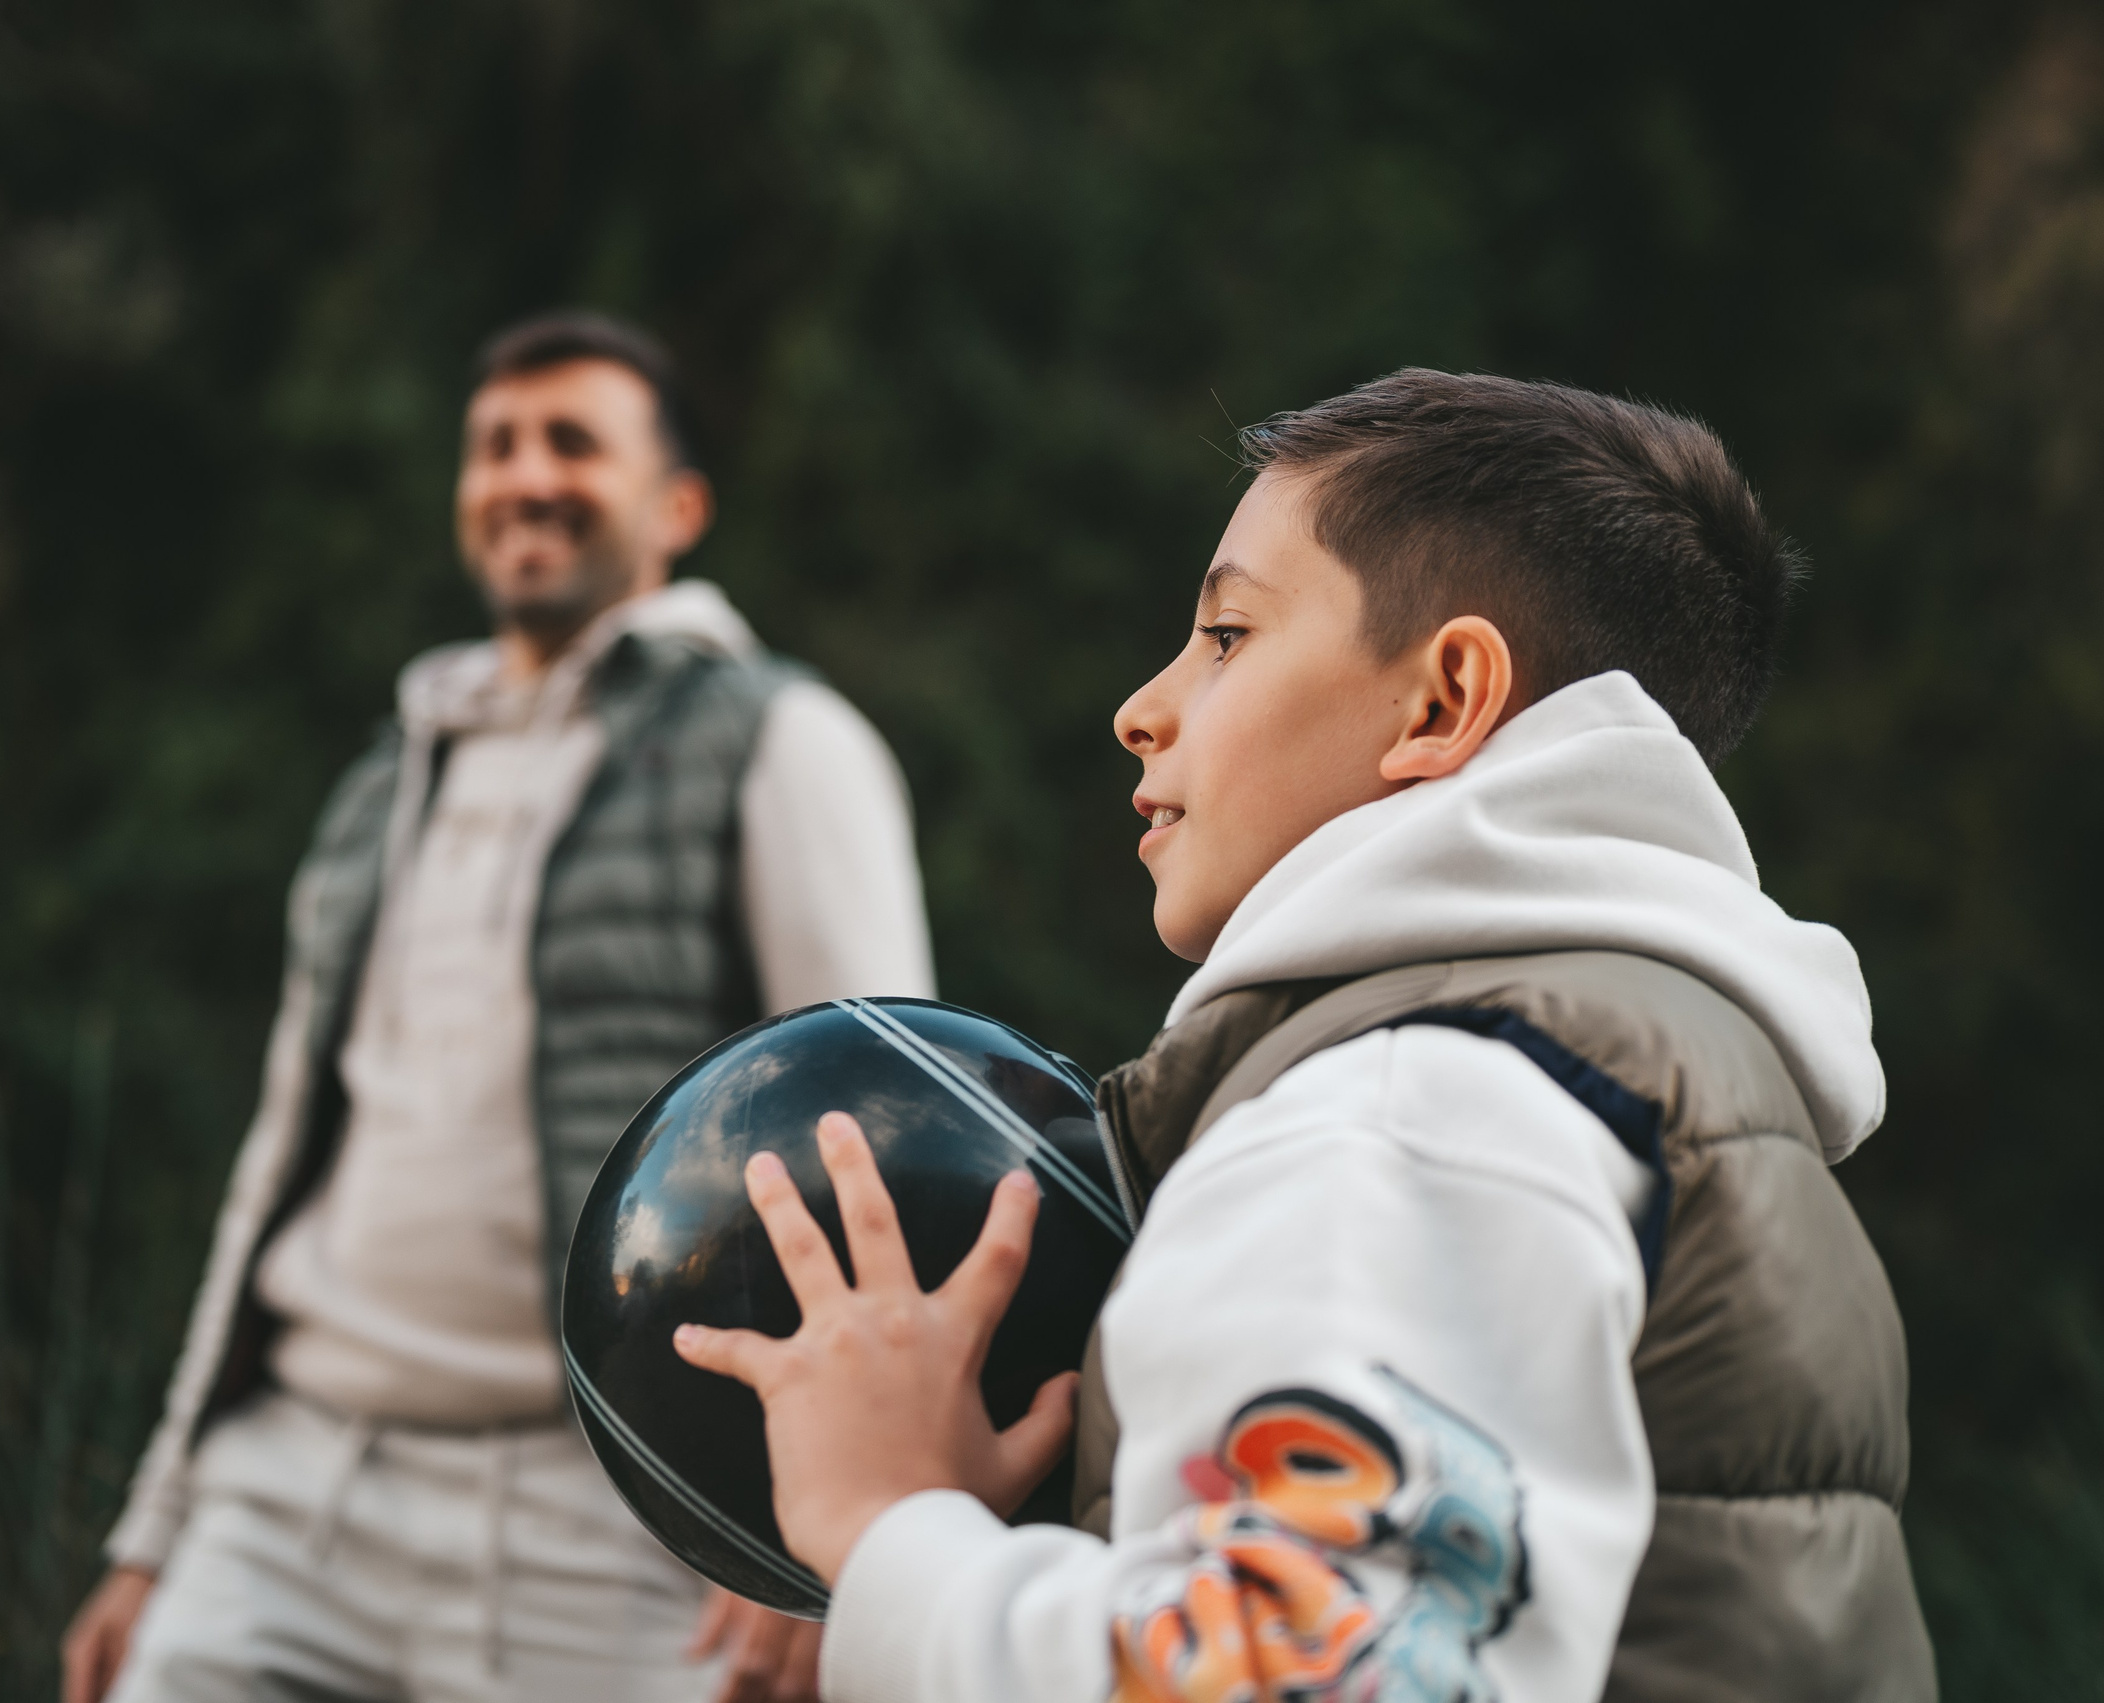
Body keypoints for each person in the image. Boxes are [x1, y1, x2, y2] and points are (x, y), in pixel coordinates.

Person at [674, 370, 1935, 1701]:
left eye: (1225, 635)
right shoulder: (1646, 1067)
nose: (1141, 708)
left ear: (1443, 701)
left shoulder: (1415, 1107)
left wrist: (892, 1534)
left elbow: (1310, 1677)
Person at [62, 311, 936, 1703]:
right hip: (291, 1493)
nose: (526, 474)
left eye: (573, 443)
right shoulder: (382, 784)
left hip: (617, 1516)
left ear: (679, 506)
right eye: (496, 445)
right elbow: (276, 1160)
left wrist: (836, 1537)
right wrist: (156, 1526)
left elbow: (885, 1136)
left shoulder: (782, 740)